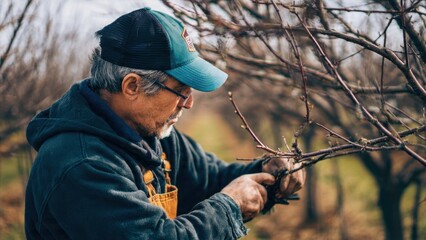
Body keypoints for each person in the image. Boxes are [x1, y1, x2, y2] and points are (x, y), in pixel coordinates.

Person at [25, 7, 305, 240]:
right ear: (132, 86)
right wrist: (229, 207)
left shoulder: (153, 134)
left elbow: (210, 179)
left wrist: (268, 172)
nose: (189, 102)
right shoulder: (81, 163)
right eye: (181, 90)